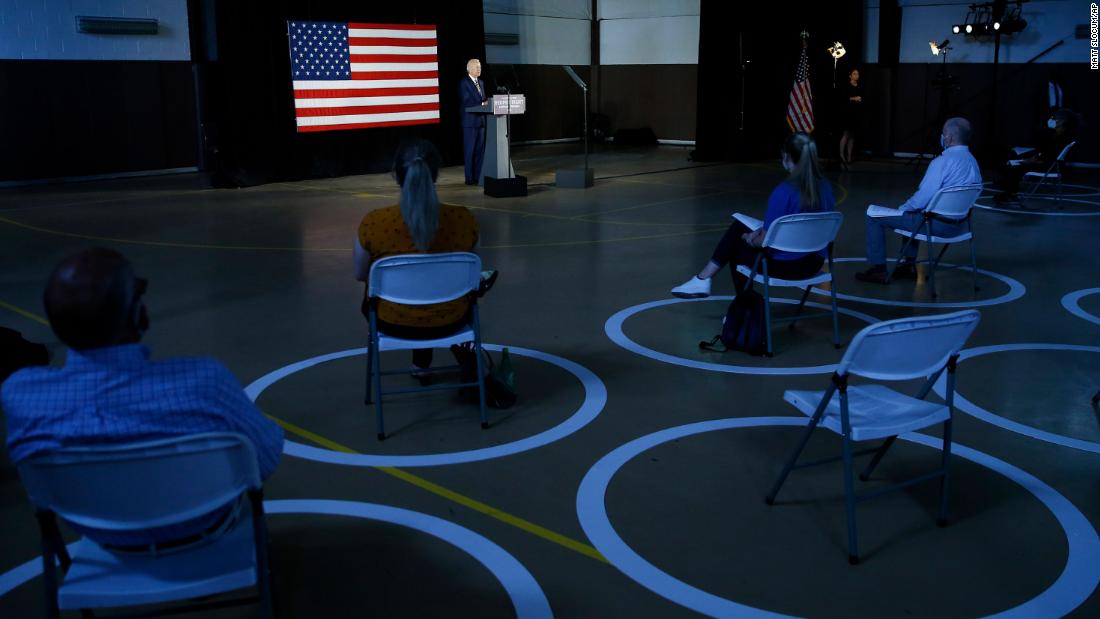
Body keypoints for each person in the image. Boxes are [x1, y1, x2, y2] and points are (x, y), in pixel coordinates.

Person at [2, 248, 284, 547]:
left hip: (100, 531)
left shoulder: (21, 395)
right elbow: (265, 458)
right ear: (139, 314)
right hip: (204, 523)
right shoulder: (202, 381)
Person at [355, 139, 487, 373]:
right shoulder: (464, 220)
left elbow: (360, 274)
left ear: (396, 175)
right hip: (451, 320)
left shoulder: (374, 223)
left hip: (394, 321)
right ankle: (462, 362)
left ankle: (421, 361)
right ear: (436, 174)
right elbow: (474, 274)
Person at [670, 132, 835, 299]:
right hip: (814, 263)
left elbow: (763, 241)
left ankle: (724, 294)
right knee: (741, 229)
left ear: (786, 155)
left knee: (736, 242)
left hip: (785, 266)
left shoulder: (784, 192)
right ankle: (703, 280)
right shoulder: (827, 188)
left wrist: (751, 238)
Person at [854, 117, 982, 284]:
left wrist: (901, 210)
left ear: (949, 138)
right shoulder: (973, 163)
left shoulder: (942, 162)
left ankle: (879, 270)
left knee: (876, 216)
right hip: (961, 227)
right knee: (915, 214)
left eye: (943, 134)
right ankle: (908, 266)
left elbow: (920, 200)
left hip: (934, 226)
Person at [994, 108, 1080, 205]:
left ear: (1062, 121)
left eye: (1054, 118)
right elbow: (1042, 151)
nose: (1051, 119)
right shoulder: (1053, 134)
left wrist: (1031, 161)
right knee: (1014, 162)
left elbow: (1049, 156)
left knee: (1016, 167)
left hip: (1050, 167)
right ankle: (1009, 190)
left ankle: (1010, 193)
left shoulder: (1063, 138)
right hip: (1046, 163)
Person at [459, 58, 489, 185]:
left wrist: (486, 103)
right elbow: (466, 101)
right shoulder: (463, 83)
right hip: (470, 123)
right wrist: (482, 103)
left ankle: (478, 176)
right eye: (477, 67)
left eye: (480, 67)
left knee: (479, 152)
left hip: (481, 122)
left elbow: (484, 99)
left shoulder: (481, 83)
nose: (479, 69)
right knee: (470, 151)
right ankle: (469, 178)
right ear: (470, 69)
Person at [839, 68, 863, 168]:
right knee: (846, 134)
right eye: (854, 74)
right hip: (847, 113)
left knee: (852, 135)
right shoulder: (846, 86)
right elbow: (843, 98)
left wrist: (859, 99)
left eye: (857, 74)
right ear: (850, 76)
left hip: (855, 113)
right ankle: (841, 155)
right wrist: (854, 98)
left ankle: (849, 156)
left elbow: (861, 97)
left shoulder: (859, 86)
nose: (856, 75)